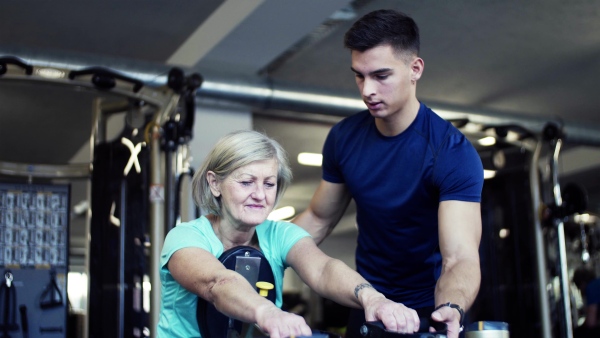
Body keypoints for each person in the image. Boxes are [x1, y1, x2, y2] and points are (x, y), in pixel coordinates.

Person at [293, 9, 484, 338]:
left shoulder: (452, 153)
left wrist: (451, 308)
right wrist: (257, 252)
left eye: (381, 75)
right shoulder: (344, 138)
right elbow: (318, 219)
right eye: (359, 75)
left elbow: (459, 258)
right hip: (368, 305)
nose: (367, 90)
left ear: (415, 69)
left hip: (430, 311)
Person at [157, 130, 421, 338]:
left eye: (269, 184)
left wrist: (372, 298)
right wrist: (268, 313)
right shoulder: (185, 238)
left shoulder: (280, 234)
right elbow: (218, 283)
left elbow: (323, 269)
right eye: (247, 182)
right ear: (215, 183)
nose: (260, 195)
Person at [573, 266, 600, 337]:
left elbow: (591, 322)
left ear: (582, 283)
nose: (580, 291)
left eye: (579, 287)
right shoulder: (597, 283)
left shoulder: (591, 288)